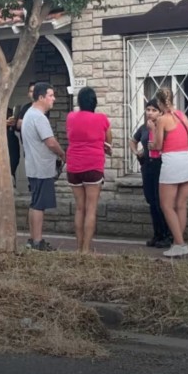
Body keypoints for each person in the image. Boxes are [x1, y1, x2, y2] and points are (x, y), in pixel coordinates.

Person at [150, 87, 188, 258]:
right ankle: (178, 243)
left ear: (159, 102)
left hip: (172, 161)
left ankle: (180, 244)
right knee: (181, 205)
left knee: (167, 206)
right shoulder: (182, 116)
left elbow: (158, 145)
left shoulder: (163, 119)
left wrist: (153, 131)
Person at [65, 87, 111, 253]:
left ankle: (78, 247)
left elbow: (70, 135)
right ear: (94, 102)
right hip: (93, 166)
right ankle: (86, 250)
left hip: (74, 165)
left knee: (80, 208)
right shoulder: (102, 119)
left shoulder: (70, 117)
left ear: (79, 102)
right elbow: (108, 140)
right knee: (91, 208)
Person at [21, 82, 65, 251]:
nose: (53, 99)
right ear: (41, 97)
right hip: (41, 168)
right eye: (50, 95)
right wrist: (62, 154)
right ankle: (37, 241)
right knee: (39, 205)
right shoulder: (39, 117)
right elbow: (50, 142)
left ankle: (33, 239)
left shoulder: (29, 114)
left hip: (33, 166)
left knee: (34, 203)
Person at [129, 98, 171, 249]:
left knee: (160, 201)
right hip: (147, 166)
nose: (150, 113)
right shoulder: (144, 128)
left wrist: (154, 129)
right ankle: (157, 234)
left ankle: (167, 235)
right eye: (148, 110)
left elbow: (161, 145)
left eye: (154, 110)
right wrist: (137, 152)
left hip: (160, 166)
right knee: (151, 200)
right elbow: (133, 141)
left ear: (160, 112)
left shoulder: (163, 126)